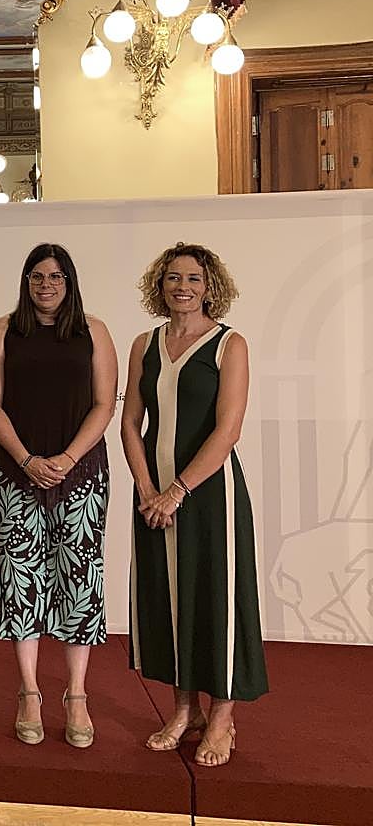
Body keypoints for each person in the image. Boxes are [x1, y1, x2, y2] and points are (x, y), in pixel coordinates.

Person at [121, 242, 268, 768]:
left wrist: (176, 491)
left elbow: (228, 429)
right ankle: (185, 711)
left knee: (215, 599)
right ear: (159, 286)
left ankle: (223, 716)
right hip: (152, 498)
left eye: (194, 279)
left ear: (211, 287)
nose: (183, 287)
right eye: (173, 278)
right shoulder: (145, 343)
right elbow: (130, 425)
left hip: (210, 497)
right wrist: (146, 491)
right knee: (168, 598)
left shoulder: (231, 344)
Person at [0, 243, 117, 749]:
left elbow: (104, 404)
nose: (46, 286)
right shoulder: (3, 331)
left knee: (80, 577)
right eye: (37, 277)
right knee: (20, 580)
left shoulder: (94, 331)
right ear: (25, 281)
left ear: (69, 282)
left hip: (81, 474)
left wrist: (67, 460)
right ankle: (30, 691)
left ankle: (77, 695)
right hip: (14, 472)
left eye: (56, 277)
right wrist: (29, 461)